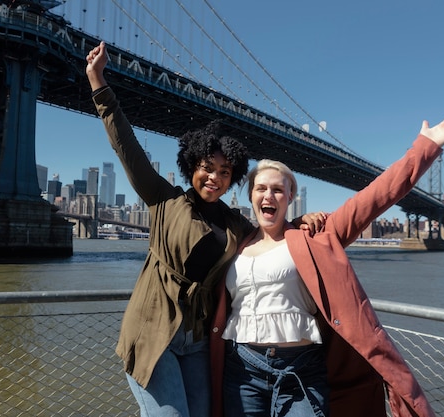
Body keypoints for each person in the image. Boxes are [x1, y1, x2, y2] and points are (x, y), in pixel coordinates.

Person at [85, 41, 325, 417]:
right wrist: (99, 83)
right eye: (206, 167)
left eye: (225, 172)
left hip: (196, 339)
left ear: (233, 179)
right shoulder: (163, 200)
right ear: (191, 167)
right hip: (154, 331)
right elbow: (126, 147)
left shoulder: (235, 223)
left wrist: (302, 224)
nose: (214, 177)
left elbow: (271, 232)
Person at [210, 116, 444, 417]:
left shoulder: (316, 236)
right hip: (242, 371)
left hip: (301, 370)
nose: (269, 196)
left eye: (278, 190)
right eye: (261, 189)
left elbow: (375, 198)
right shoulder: (236, 241)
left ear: (291, 197)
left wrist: (426, 146)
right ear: (251, 195)